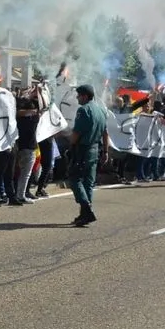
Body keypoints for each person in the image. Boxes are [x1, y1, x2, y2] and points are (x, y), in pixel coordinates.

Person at [69, 84, 109, 227]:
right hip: (95, 149)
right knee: (88, 182)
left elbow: (76, 133)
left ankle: (86, 208)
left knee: (74, 179)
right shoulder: (101, 110)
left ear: (85, 96)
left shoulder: (83, 110)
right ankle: (84, 214)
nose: (77, 98)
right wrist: (106, 151)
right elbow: (105, 133)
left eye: (79, 95)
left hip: (82, 150)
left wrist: (70, 145)